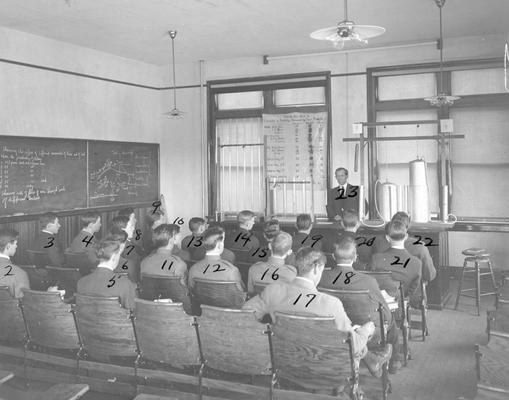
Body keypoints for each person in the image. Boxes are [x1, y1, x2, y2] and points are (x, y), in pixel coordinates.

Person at [243, 247, 391, 377]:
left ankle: (372, 359)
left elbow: (245, 313)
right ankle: (372, 359)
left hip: (285, 363)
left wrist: (271, 332)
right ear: (316, 268)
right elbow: (355, 345)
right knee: (356, 333)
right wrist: (365, 331)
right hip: (326, 369)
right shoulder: (330, 304)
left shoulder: (273, 290)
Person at [320, 236, 402, 373]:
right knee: (390, 318)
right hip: (366, 330)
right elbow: (385, 312)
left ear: (333, 256)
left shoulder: (322, 277)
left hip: (335, 328)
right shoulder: (368, 281)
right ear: (355, 257)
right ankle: (394, 360)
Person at [77, 236, 138, 310]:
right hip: (116, 321)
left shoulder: (81, 282)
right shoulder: (125, 284)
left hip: (86, 321)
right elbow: (133, 312)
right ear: (114, 257)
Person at [374, 211, 437, 283]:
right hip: (412, 292)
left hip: (386, 291)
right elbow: (430, 276)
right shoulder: (420, 247)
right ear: (407, 227)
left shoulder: (378, 243)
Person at [368, 220, 422, 300]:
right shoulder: (417, 263)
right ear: (406, 237)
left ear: (387, 238)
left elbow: (371, 282)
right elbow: (413, 289)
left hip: (379, 304)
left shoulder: (376, 258)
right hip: (402, 303)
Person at [188, 227, 244, 292]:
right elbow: (240, 293)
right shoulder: (232, 270)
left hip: (201, 301)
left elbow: (191, 290)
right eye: (223, 241)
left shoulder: (193, 269)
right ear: (219, 245)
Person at [247, 231, 297, 296]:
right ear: (289, 252)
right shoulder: (292, 273)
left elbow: (250, 293)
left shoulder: (254, 269)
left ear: (269, 246)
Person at [0, 228, 30, 298]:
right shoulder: (19, 273)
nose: (16, 246)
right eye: (16, 243)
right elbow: (25, 304)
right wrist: (49, 294)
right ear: (8, 245)